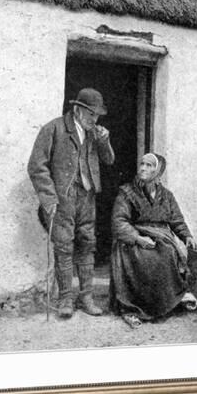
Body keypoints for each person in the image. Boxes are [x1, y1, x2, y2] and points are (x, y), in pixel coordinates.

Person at [28, 88, 115, 319]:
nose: (94, 120)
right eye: (91, 114)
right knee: (64, 246)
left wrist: (104, 142)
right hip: (62, 199)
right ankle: (65, 297)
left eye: (97, 116)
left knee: (88, 244)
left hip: (87, 197)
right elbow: (37, 166)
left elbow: (109, 160)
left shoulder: (94, 133)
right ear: (77, 109)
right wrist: (49, 198)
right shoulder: (54, 128)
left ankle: (86, 297)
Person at [110, 152, 197, 328]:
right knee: (146, 257)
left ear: (158, 171)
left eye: (149, 165)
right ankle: (133, 308)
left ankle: (166, 302)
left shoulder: (166, 195)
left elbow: (176, 220)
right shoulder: (127, 193)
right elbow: (118, 221)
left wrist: (187, 236)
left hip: (160, 238)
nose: (143, 168)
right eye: (142, 163)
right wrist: (138, 238)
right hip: (132, 240)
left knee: (166, 252)